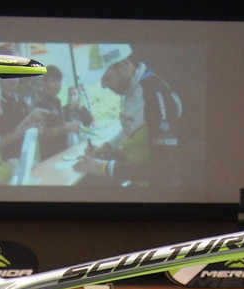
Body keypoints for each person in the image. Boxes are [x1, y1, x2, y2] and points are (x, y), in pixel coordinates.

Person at [74, 46, 182, 186]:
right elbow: (133, 128)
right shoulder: (131, 87)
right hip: (138, 181)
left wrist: (102, 167)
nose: (104, 86)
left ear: (125, 65)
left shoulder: (154, 95)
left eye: (107, 78)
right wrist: (106, 148)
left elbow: (166, 170)